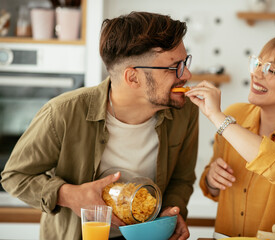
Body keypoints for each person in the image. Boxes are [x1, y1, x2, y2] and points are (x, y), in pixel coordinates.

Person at [1, 11, 198, 240]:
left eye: (185, 62)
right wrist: (68, 195)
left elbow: (182, 179)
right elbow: (14, 176)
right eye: (175, 67)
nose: (187, 74)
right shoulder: (63, 113)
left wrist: (171, 214)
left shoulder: (185, 111)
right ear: (132, 77)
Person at [185, 35, 275, 240]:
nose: (256, 74)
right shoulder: (235, 115)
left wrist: (217, 117)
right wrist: (211, 178)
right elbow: (212, 188)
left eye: (271, 70)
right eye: (258, 64)